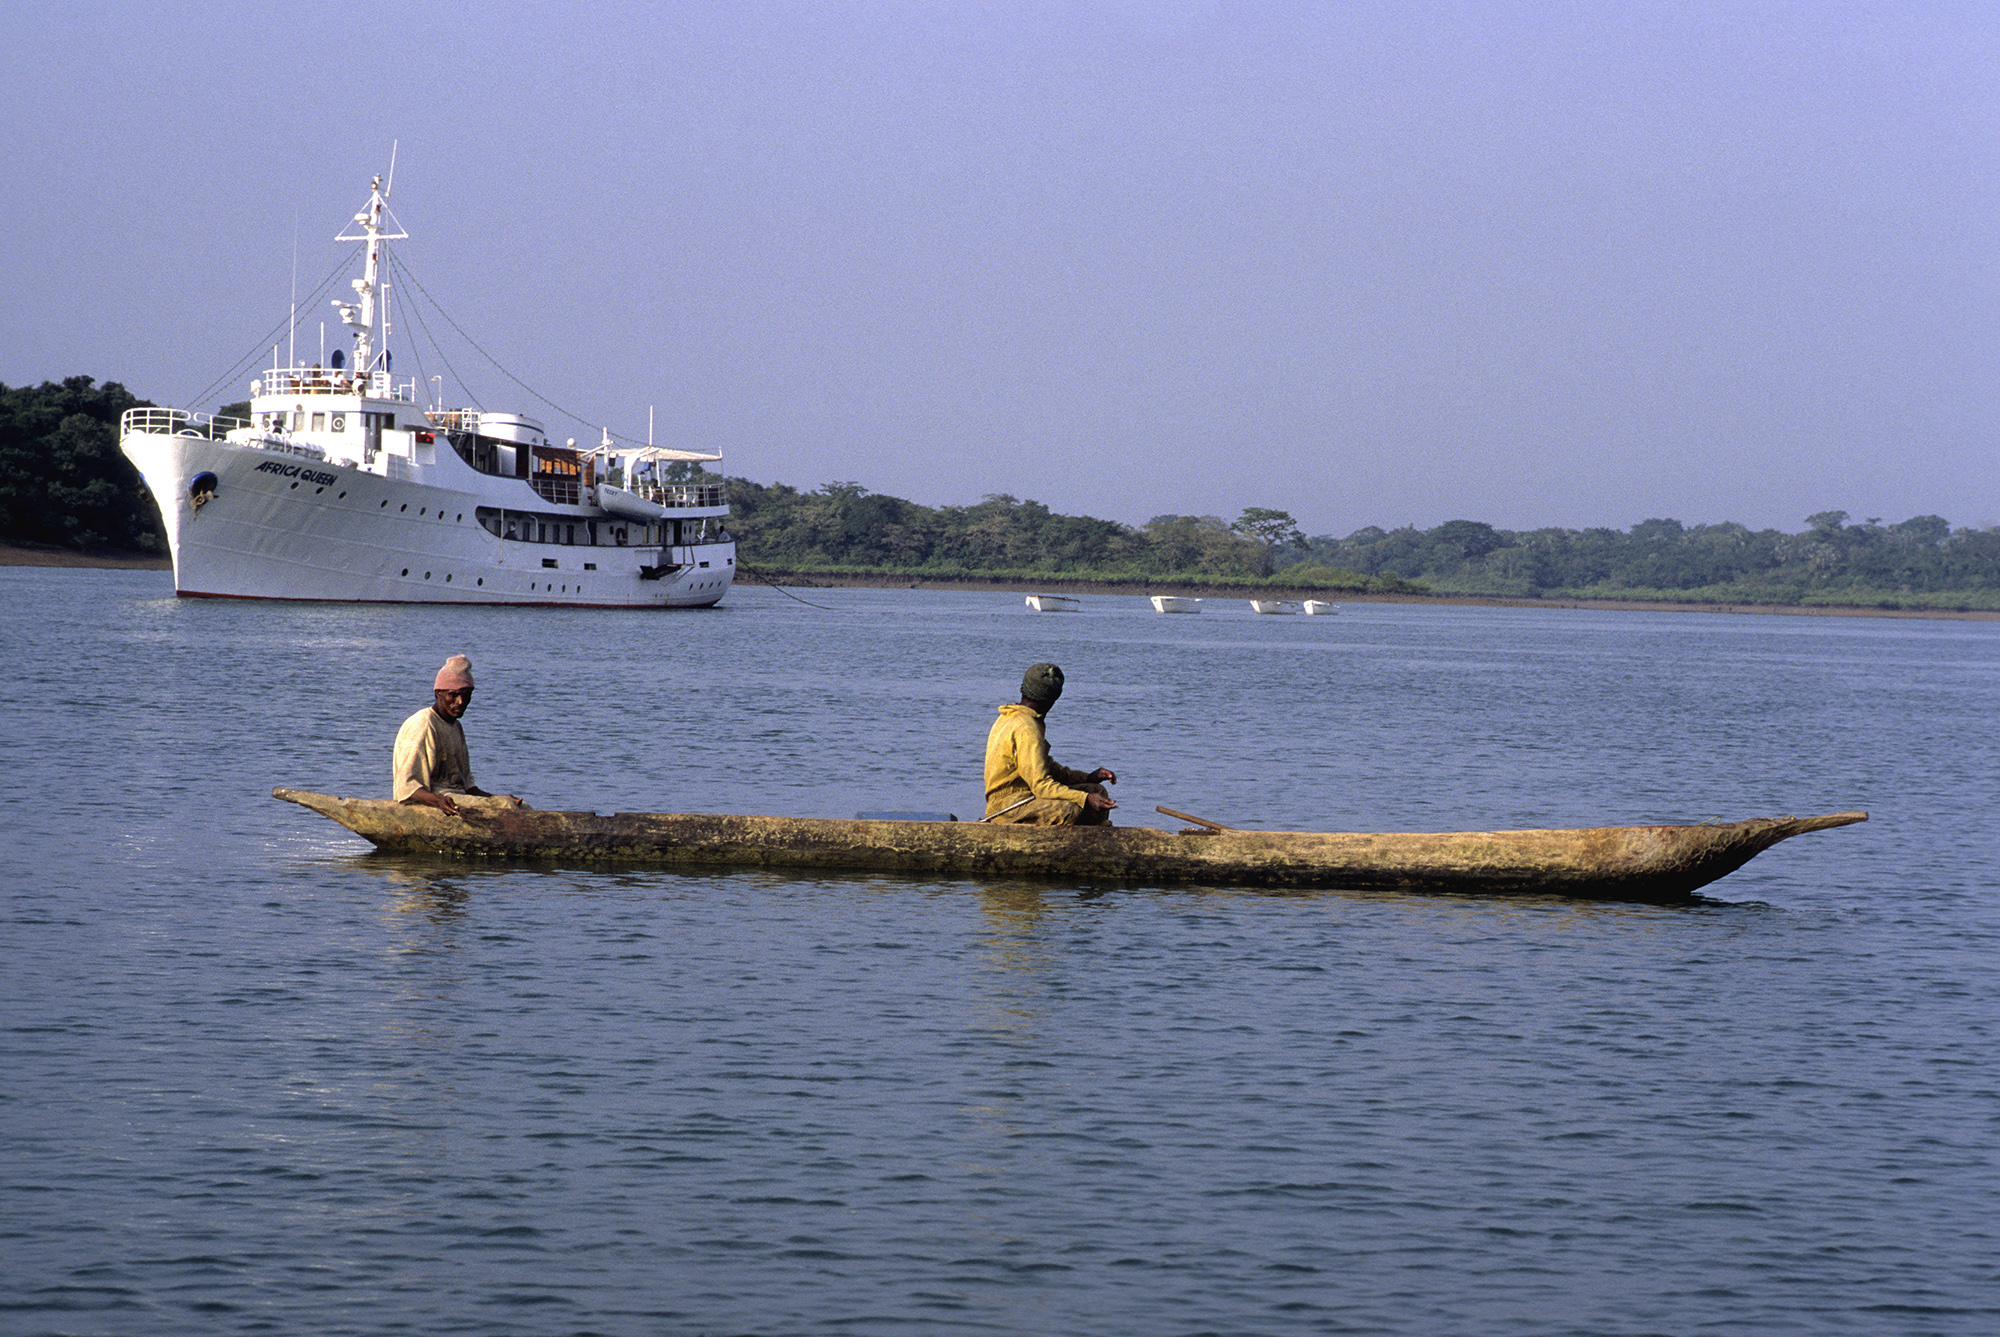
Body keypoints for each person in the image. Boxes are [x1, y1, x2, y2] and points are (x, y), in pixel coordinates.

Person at [982, 662, 1118, 824]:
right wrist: (1084, 798)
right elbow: (1041, 786)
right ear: (1053, 698)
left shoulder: (1013, 716)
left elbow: (1048, 769)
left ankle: (1096, 839)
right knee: (1068, 811)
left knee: (1097, 791)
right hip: (1008, 805)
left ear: (1023, 689)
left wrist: (1087, 777)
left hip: (1025, 797)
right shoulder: (1026, 727)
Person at [392, 655, 521, 815]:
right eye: (453, 695)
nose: (460, 702)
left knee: (517, 806)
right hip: (435, 801)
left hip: (457, 797)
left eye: (466, 696)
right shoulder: (423, 723)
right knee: (506, 808)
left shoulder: (455, 726)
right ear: (439, 693)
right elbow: (406, 786)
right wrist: (438, 801)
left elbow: (468, 787)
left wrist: (496, 798)